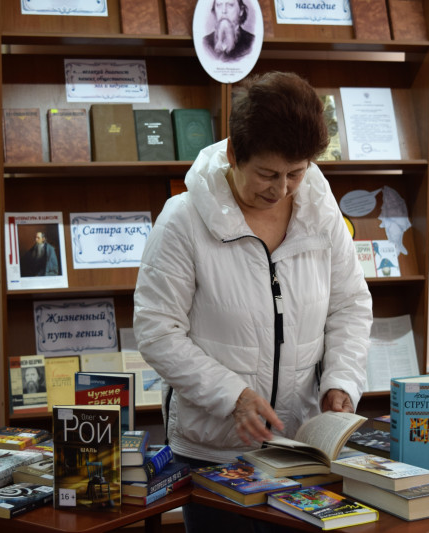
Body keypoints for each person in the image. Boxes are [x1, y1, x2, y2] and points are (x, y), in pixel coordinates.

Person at [133, 71, 372, 532]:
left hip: (299, 452)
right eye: (267, 174)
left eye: (296, 173)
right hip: (213, 456)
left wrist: (341, 381)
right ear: (233, 154)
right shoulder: (182, 221)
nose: (281, 190)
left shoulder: (322, 215)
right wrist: (234, 396)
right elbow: (157, 331)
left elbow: (350, 306)